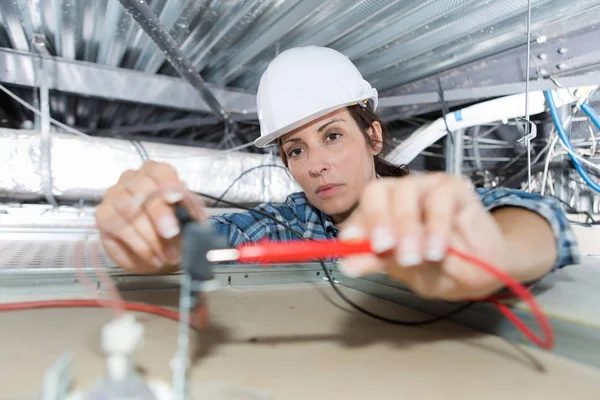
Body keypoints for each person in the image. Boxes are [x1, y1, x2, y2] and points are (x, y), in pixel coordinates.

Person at [95, 46, 579, 301]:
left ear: (372, 137)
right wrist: (155, 234)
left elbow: (542, 219)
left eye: (331, 136)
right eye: (295, 150)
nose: (315, 165)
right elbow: (204, 238)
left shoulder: (427, 207)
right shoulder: (295, 223)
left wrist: (497, 252)